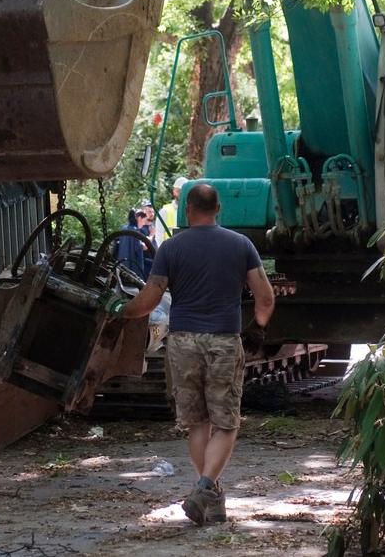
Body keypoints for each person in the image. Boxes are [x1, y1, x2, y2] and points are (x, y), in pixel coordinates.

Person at [113, 182, 276, 526]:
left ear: (187, 209)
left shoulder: (171, 248)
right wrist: (258, 328)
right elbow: (265, 297)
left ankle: (211, 498)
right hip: (223, 341)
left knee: (197, 423)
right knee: (227, 422)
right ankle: (205, 488)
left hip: (183, 342)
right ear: (219, 209)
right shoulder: (241, 245)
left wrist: (119, 311)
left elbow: (149, 300)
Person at [113, 205, 157, 279]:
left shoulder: (124, 228)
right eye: (144, 220)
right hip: (133, 271)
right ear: (139, 218)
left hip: (122, 268)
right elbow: (144, 247)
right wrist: (152, 235)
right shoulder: (135, 232)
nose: (143, 223)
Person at [155, 175, 188, 241]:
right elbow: (159, 237)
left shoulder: (193, 212)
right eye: (178, 191)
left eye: (184, 192)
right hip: (169, 250)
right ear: (174, 192)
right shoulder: (164, 211)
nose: (181, 194)